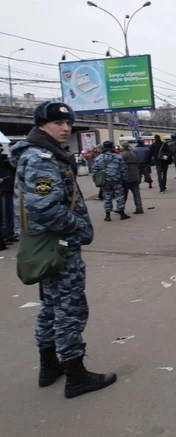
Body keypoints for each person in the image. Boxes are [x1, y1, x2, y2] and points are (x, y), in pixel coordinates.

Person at [11, 101, 116, 398]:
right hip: (58, 246)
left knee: (51, 307)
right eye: (58, 123)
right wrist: (78, 228)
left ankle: (49, 366)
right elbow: (44, 208)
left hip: (48, 246)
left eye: (68, 123)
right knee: (70, 308)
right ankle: (76, 375)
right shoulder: (43, 157)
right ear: (41, 125)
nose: (65, 128)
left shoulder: (40, 154)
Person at [91, 141, 129, 221]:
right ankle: (122, 213)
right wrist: (125, 180)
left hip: (105, 181)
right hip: (117, 180)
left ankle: (107, 215)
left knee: (107, 197)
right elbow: (124, 169)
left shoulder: (98, 158)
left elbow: (94, 171)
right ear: (112, 147)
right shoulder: (118, 157)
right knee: (119, 196)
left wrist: (96, 181)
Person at [119, 142, 144, 214]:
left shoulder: (122, 155)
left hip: (126, 176)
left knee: (124, 194)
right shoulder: (133, 154)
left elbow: (120, 165)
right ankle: (139, 208)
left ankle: (121, 209)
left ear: (123, 147)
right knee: (136, 194)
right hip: (135, 175)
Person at [0, 150, 17, 244]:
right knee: (5, 213)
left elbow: (14, 168)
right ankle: (6, 234)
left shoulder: (7, 160)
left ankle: (9, 234)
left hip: (9, 187)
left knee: (9, 212)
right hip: (4, 189)